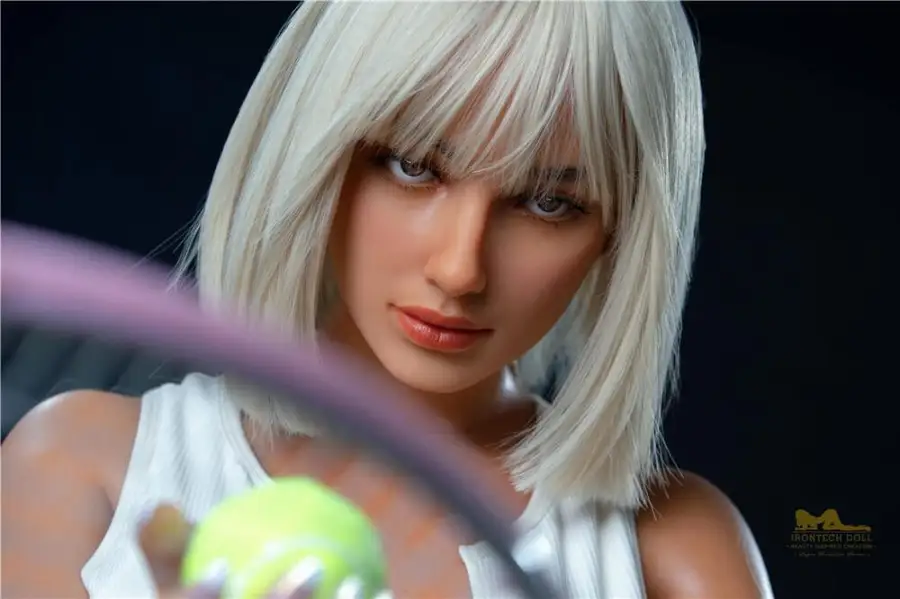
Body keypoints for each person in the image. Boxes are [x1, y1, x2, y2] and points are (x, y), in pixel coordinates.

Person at [1, 2, 774, 598]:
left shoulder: (676, 555)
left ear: (620, 235)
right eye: (412, 166)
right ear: (317, 150)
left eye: (548, 203)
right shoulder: (77, 470)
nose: (460, 268)